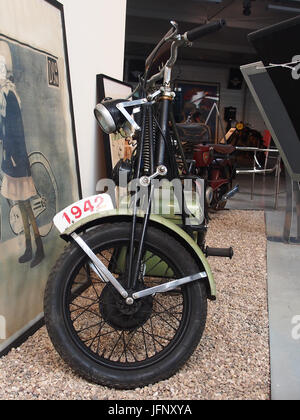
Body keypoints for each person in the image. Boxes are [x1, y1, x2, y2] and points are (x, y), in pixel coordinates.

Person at [0, 40, 44, 268]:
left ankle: (38, 247)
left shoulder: (9, 96)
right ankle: (29, 246)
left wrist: (14, 157)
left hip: (16, 158)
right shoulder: (4, 97)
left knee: (26, 205)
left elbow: (15, 130)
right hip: (10, 157)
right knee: (20, 205)